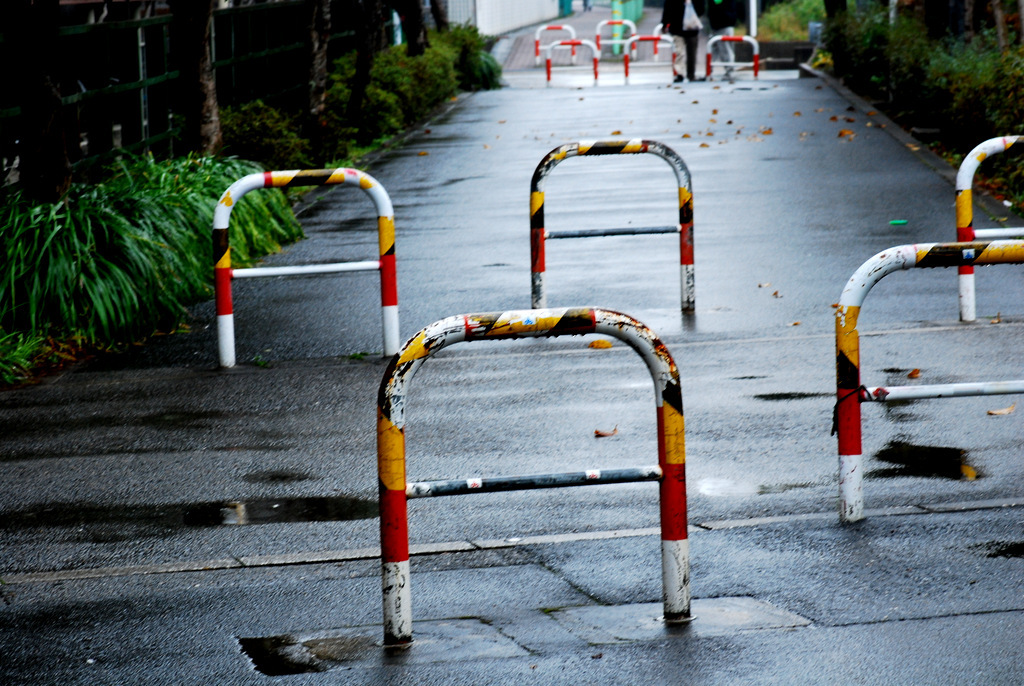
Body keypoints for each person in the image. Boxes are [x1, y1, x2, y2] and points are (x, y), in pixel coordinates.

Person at [661, 0, 706, 83]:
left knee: (691, 53)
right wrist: (665, 23)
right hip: (677, 28)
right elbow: (668, 7)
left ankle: (691, 74)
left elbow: (701, 9)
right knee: (679, 52)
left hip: (691, 28)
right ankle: (680, 74)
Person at [708, 0, 739, 79]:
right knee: (712, 49)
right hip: (717, 25)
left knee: (725, 50)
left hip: (723, 25)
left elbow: (717, 5)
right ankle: (708, 70)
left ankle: (730, 72)